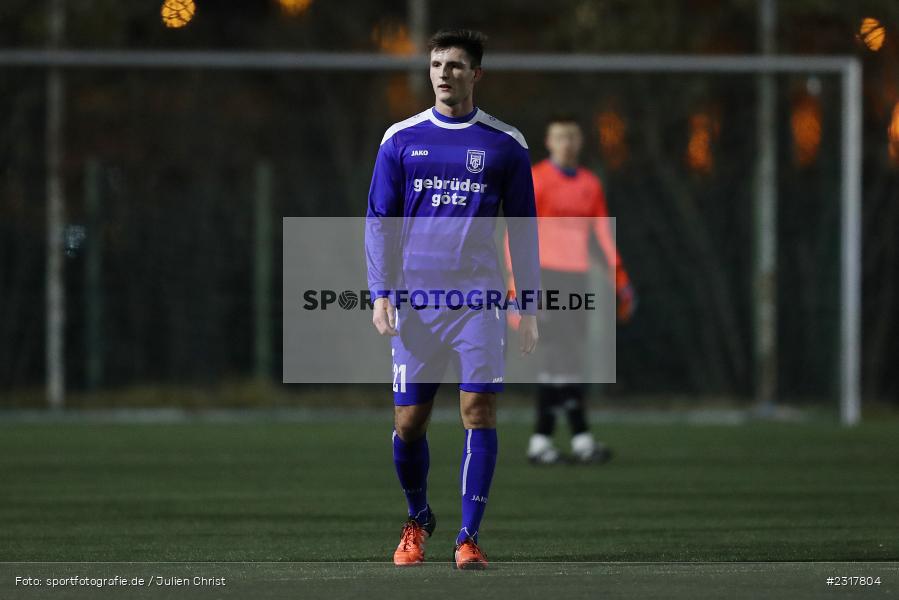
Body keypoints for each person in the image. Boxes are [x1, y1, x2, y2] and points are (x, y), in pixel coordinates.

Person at [365, 29, 540, 569]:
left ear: (476, 75)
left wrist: (528, 303)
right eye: (437, 64)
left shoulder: (505, 143)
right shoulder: (400, 139)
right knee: (408, 423)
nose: (444, 74)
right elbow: (379, 222)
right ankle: (418, 517)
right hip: (417, 304)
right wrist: (380, 293)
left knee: (477, 410)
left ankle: (469, 537)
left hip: (478, 303)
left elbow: (525, 229)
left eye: (457, 66)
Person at [524, 115, 636, 465]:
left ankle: (574, 439)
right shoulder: (536, 179)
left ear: (580, 142)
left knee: (570, 358)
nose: (567, 143)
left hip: (576, 277)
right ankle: (544, 441)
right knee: (555, 356)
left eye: (572, 136)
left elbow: (602, 235)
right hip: (545, 275)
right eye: (560, 136)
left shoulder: (589, 183)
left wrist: (619, 279)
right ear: (548, 141)